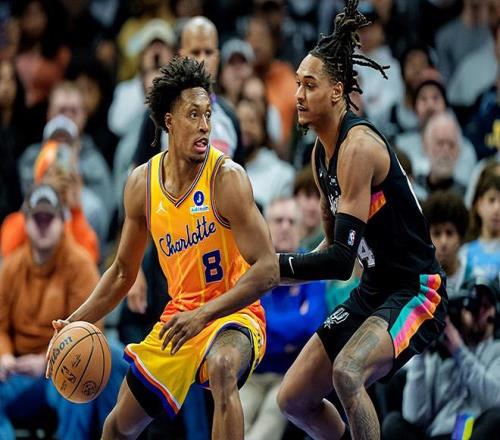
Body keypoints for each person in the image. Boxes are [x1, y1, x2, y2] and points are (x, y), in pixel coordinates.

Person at [162, 2, 448, 439]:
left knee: (348, 373)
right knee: (292, 398)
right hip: (374, 289)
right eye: (296, 83)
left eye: (309, 85)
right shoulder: (319, 154)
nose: (297, 94)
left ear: (336, 92)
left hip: (415, 289)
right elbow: (328, 246)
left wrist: (273, 267)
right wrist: (272, 273)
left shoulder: (358, 148)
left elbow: (340, 262)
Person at [46, 57, 279, 440]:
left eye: (207, 115)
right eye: (193, 115)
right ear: (169, 121)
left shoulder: (227, 179)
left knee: (222, 367)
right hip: (180, 319)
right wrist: (75, 321)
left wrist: (204, 315)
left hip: (234, 313)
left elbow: (268, 269)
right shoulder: (142, 184)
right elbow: (122, 272)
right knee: (117, 426)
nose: (205, 126)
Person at [0, 184, 125, 439]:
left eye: (49, 218)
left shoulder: (80, 265)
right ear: (25, 222)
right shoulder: (11, 267)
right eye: (37, 218)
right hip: (19, 371)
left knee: (78, 379)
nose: (43, 225)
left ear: (62, 221)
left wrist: (45, 361)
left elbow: (89, 335)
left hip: (60, 369)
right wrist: (4, 356)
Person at [240, 197, 327, 440]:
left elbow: (312, 325)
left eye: (291, 221)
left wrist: (267, 329)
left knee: (270, 417)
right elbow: (246, 322)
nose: (285, 227)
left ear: (301, 229)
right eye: (278, 221)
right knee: (234, 423)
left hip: (291, 377)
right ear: (265, 226)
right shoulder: (252, 266)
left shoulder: (314, 267)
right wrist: (291, 331)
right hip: (251, 375)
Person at [383, 278, 500, 440]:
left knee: (496, 418)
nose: (478, 312)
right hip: (435, 435)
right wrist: (421, 353)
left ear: (495, 313)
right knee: (392, 423)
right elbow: (415, 417)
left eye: (485, 307)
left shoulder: (496, 350)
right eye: (473, 306)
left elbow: (496, 400)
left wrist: (460, 351)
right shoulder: (442, 351)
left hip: (470, 435)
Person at [423, 191, 471, 297]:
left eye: (449, 233)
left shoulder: (473, 277)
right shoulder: (416, 278)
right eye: (436, 233)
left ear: (460, 237)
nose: (443, 242)